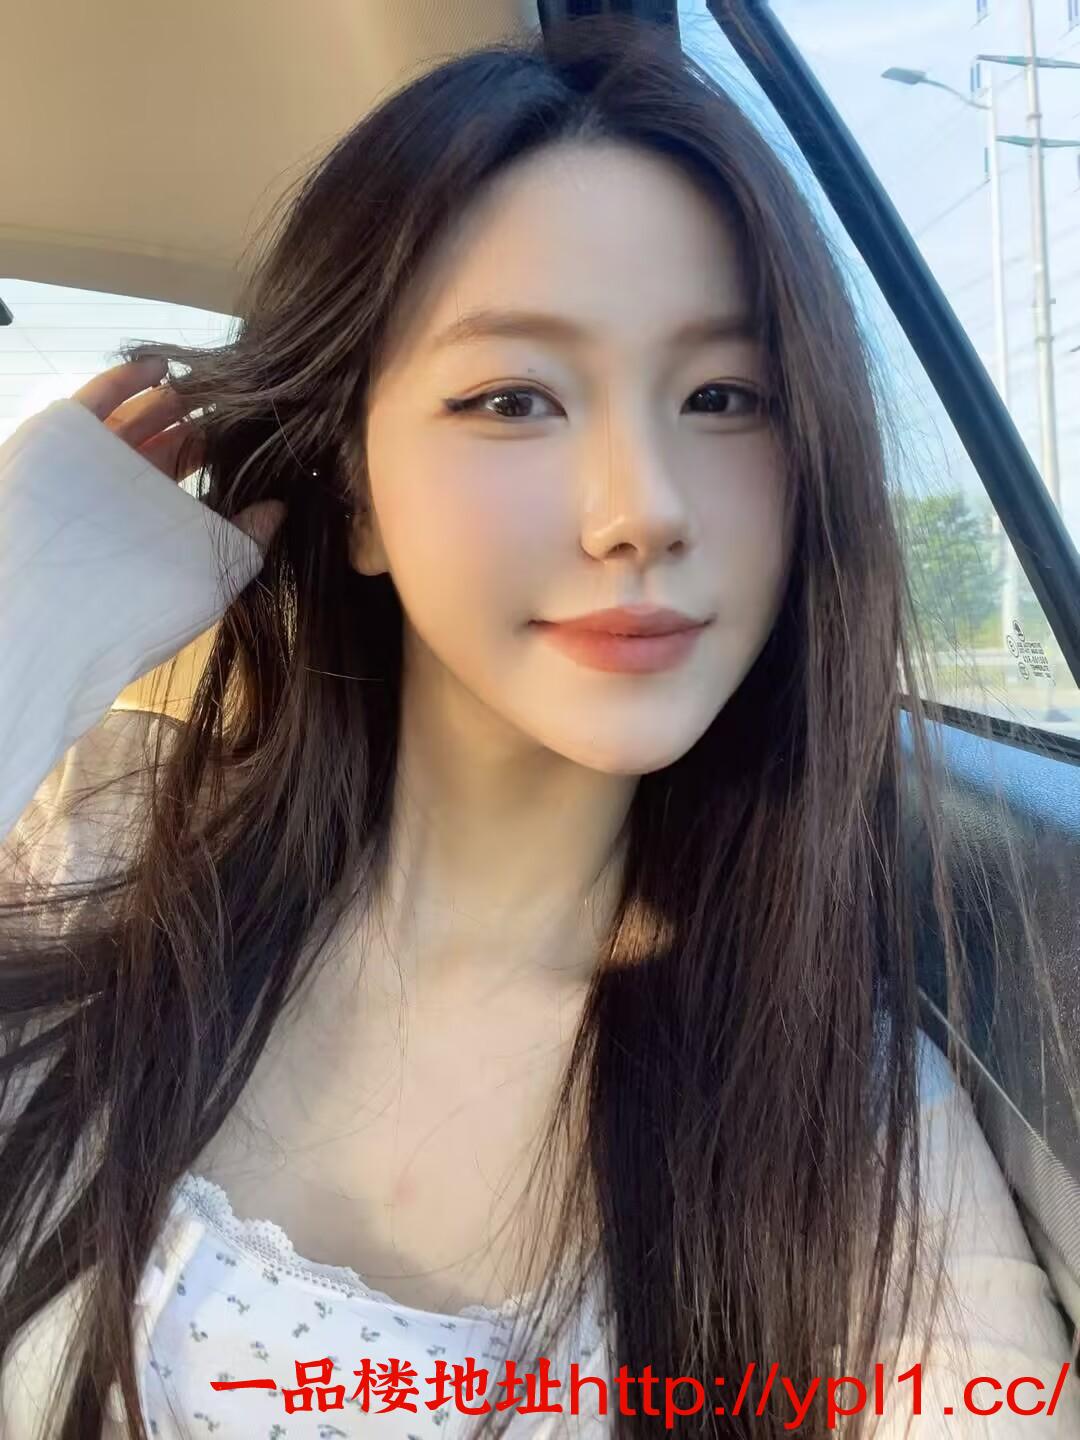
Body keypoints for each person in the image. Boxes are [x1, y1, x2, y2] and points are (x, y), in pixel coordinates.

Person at [0, 17, 1076, 1440]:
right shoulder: (102, 857)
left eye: (724, 398)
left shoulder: (855, 1124)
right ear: (357, 495)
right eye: (514, 398)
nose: (643, 509)